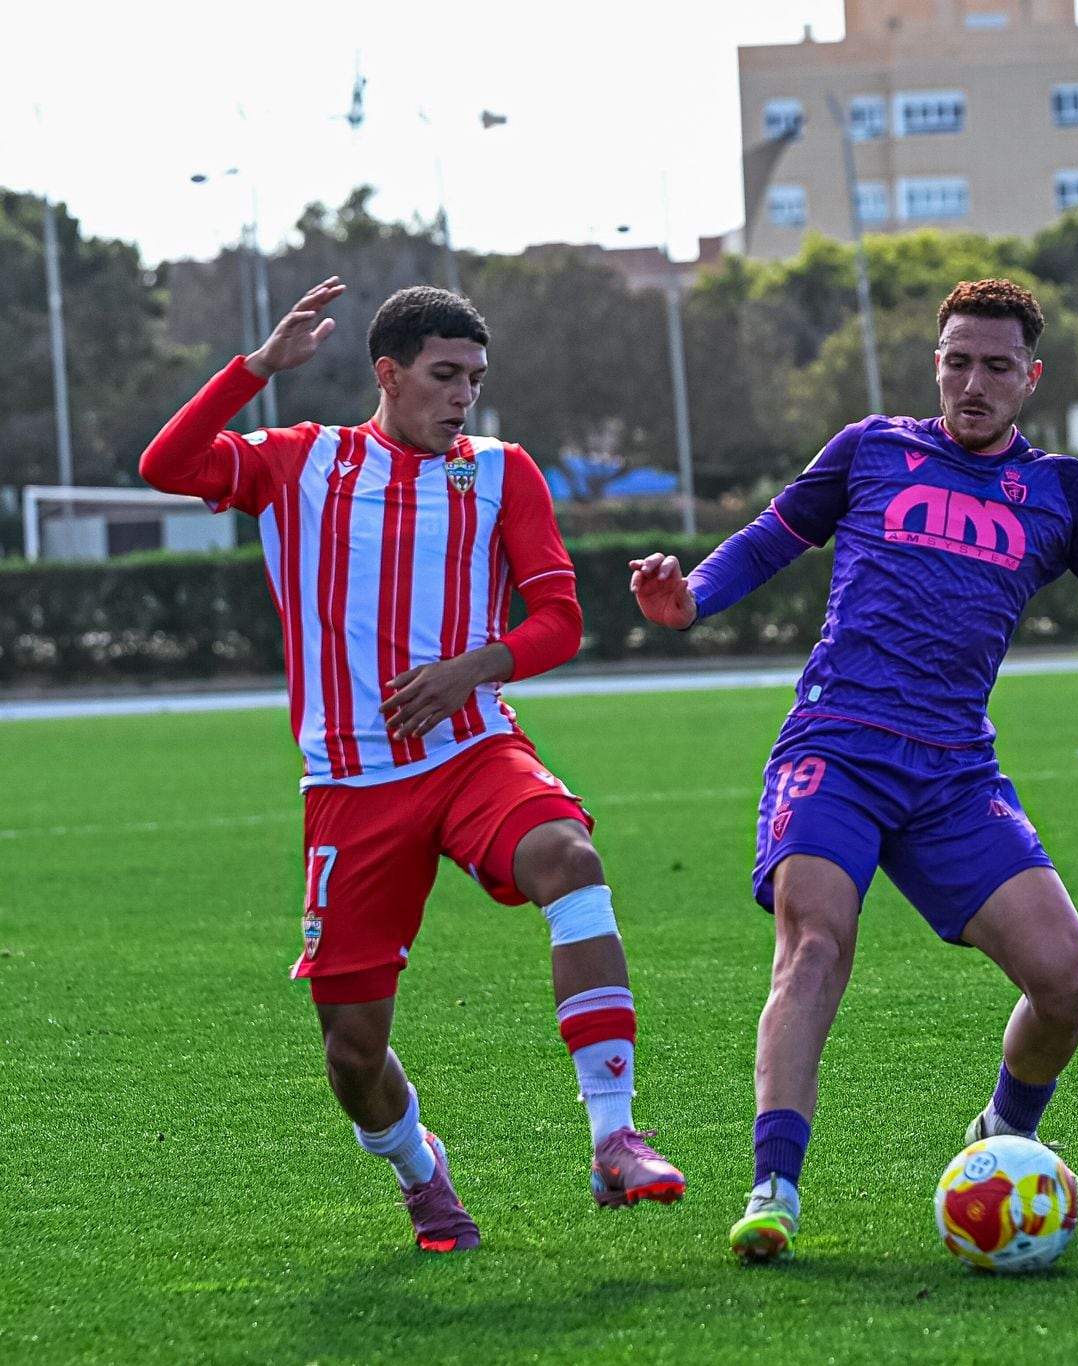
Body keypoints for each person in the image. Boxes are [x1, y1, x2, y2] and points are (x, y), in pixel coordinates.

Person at [629, 278, 1078, 1262]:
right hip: (835, 747)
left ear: (1029, 377)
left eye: (995, 365)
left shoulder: (1060, 492)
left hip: (952, 774)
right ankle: (774, 1187)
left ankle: (1000, 1134)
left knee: (1065, 981)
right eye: (957, 360)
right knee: (814, 946)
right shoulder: (868, 450)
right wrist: (690, 599)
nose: (973, 382)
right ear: (936, 363)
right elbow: (760, 546)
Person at [139, 280, 685, 1253]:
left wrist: (473, 668)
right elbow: (166, 463)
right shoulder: (300, 460)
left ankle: (615, 1137)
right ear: (388, 373)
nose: (463, 394)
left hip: (474, 749)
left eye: (474, 377)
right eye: (443, 375)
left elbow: (558, 619)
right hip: (350, 785)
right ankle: (421, 1173)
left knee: (569, 858)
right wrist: (257, 368)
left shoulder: (501, 471)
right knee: (352, 1049)